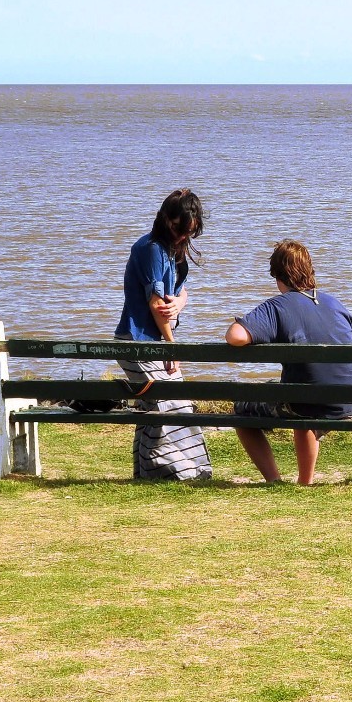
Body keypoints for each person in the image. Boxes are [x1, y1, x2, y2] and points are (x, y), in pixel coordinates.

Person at [226, 239, 352, 486]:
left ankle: (274, 480)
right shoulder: (336, 304)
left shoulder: (278, 306)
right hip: (350, 399)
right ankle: (304, 482)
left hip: (306, 402)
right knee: (305, 395)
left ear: (278, 275)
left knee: (242, 408)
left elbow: (235, 336)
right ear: (310, 271)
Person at [116, 188, 212, 482]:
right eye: (180, 229)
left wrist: (181, 303)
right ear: (165, 218)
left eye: (190, 233)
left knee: (162, 405)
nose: (184, 237)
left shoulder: (172, 249)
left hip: (154, 341)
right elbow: (157, 306)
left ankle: (151, 472)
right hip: (138, 343)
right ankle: (176, 472)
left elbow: (177, 292)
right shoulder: (151, 249)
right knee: (167, 404)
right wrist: (172, 348)